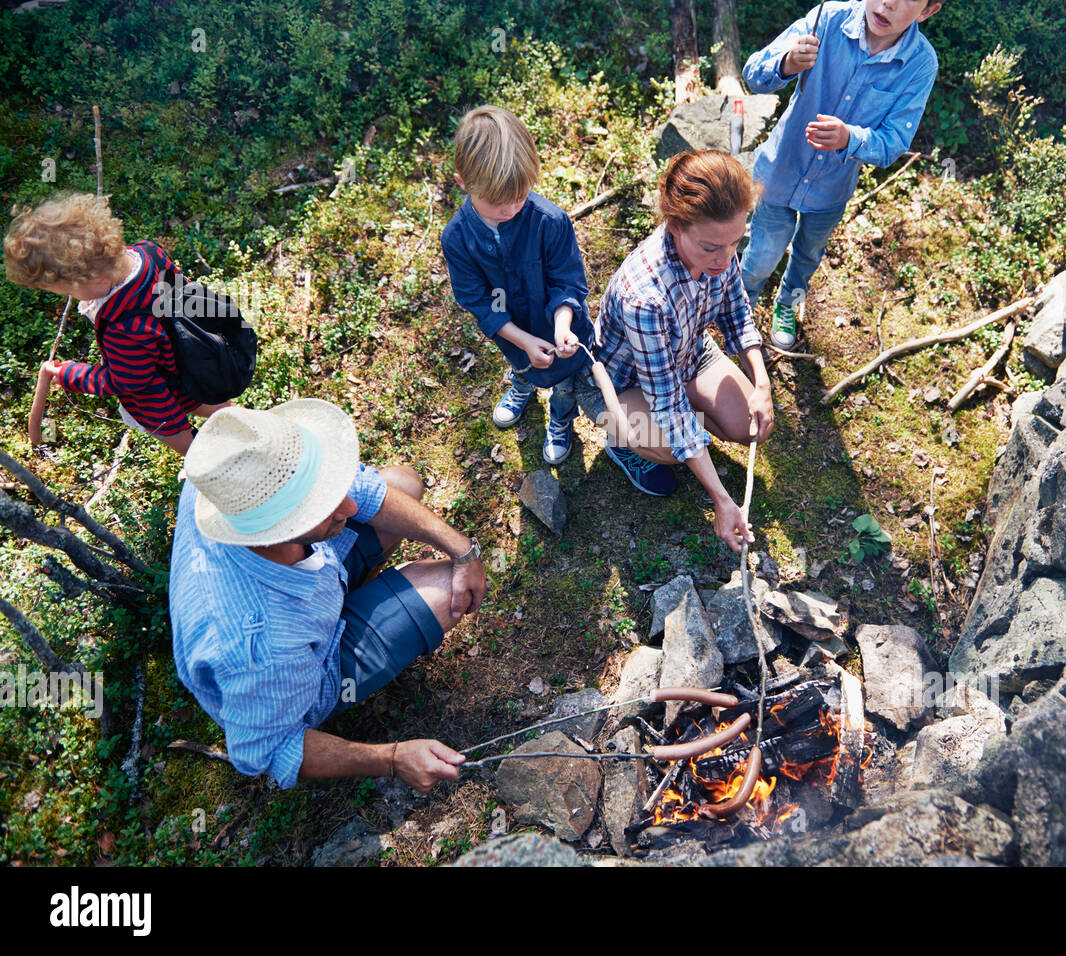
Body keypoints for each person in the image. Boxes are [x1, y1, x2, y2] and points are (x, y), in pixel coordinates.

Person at [168, 399, 487, 792]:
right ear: (274, 532)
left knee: (403, 484)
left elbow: (367, 492)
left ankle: (360, 598)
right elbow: (274, 749)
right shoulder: (255, 649)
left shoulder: (239, 479)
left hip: (313, 589)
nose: (349, 507)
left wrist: (462, 550)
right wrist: (390, 759)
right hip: (302, 670)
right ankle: (364, 627)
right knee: (443, 591)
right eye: (321, 509)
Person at [579, 149, 775, 552]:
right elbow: (666, 403)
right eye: (710, 248)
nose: (725, 259)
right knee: (672, 446)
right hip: (624, 385)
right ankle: (623, 441)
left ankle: (691, 432)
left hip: (687, 355)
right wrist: (722, 499)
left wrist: (761, 382)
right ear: (674, 224)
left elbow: (737, 314)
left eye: (734, 243)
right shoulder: (645, 296)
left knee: (750, 427)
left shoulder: (719, 245)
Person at [739, 0, 942, 349]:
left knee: (807, 256)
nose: (888, 4)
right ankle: (739, 308)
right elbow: (753, 75)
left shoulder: (920, 63)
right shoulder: (828, 18)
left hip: (831, 190)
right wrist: (787, 63)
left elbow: (894, 141)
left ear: (927, 11)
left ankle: (788, 301)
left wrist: (851, 138)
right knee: (760, 257)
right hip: (780, 171)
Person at [4, 192, 230, 453]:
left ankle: (209, 460)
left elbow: (128, 381)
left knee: (184, 439)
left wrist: (70, 374)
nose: (70, 298)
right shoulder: (148, 252)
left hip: (158, 395)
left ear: (99, 282)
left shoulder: (121, 325)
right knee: (216, 407)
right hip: (191, 360)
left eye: (69, 291)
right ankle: (245, 429)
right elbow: (183, 288)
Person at [440, 106, 594, 465]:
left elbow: (567, 280)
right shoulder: (457, 238)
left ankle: (560, 418)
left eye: (520, 198)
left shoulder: (550, 222)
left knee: (564, 383)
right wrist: (522, 341)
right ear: (463, 183)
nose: (510, 210)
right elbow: (475, 299)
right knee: (522, 363)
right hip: (511, 334)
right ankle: (522, 386)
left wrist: (562, 327)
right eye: (498, 203)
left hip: (561, 334)